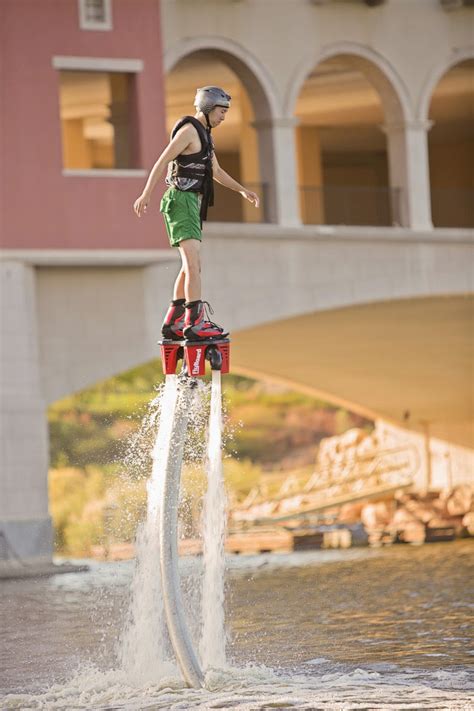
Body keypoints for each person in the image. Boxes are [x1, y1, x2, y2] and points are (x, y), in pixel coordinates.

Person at [133, 86, 259, 341]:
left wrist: (242, 191)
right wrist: (146, 193)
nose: (223, 117)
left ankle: (173, 321)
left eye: (225, 112)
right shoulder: (189, 132)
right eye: (221, 112)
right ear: (208, 108)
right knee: (193, 265)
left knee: (190, 265)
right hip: (180, 200)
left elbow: (217, 173)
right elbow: (161, 162)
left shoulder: (206, 136)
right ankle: (194, 323)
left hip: (192, 202)